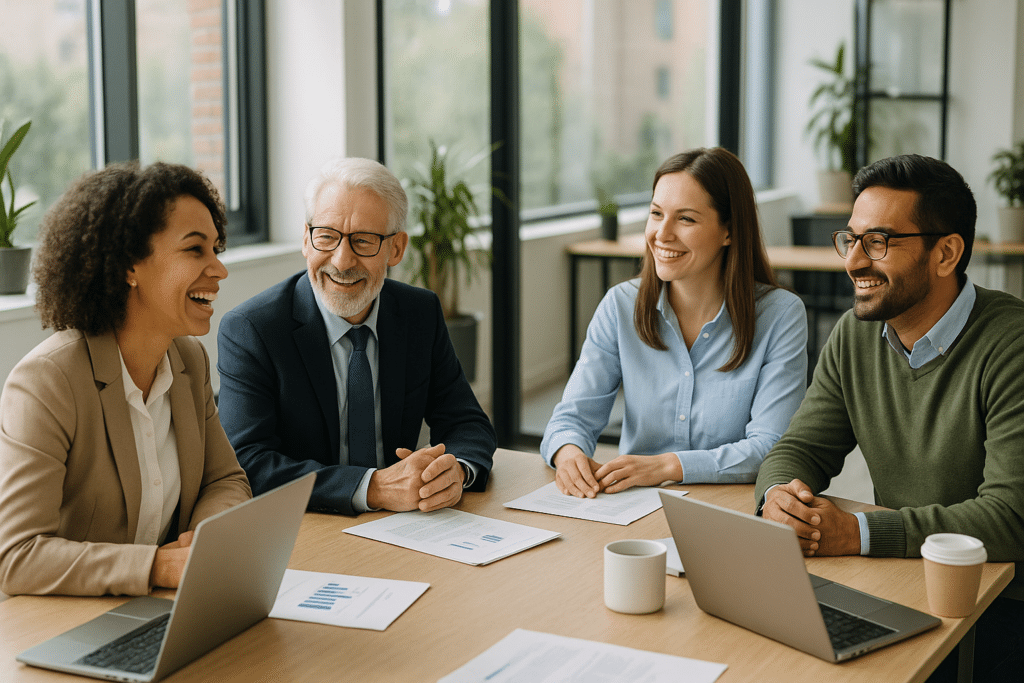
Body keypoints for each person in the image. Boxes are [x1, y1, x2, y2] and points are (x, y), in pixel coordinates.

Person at [754, 154, 1024, 682]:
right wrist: (777, 499)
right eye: (850, 239)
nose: (854, 261)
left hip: (1000, 600)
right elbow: (800, 450)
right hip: (905, 578)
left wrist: (858, 533)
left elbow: (1010, 518)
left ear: (946, 253)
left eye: (877, 243)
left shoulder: (1011, 344)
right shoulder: (856, 335)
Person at [0, 162, 251, 597]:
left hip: (161, 609)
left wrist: (206, 538)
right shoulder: (48, 381)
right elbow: (17, 556)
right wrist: (156, 566)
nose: (219, 269)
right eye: (195, 250)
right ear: (128, 267)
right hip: (64, 625)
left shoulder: (188, 362)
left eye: (216, 249)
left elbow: (225, 481)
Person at [217, 157, 495, 517]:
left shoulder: (419, 313)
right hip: (308, 526)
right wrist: (373, 488)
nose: (343, 260)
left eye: (363, 241)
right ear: (306, 239)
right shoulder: (252, 329)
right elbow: (247, 463)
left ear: (396, 249)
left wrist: (455, 471)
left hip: (406, 525)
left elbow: (467, 422)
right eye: (327, 237)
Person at [541, 147, 808, 497]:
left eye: (686, 219)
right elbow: (571, 418)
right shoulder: (620, 306)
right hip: (634, 507)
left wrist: (667, 466)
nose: (661, 234)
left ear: (729, 231)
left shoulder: (781, 315)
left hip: (730, 506)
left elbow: (771, 446)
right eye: (656, 214)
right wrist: (568, 452)